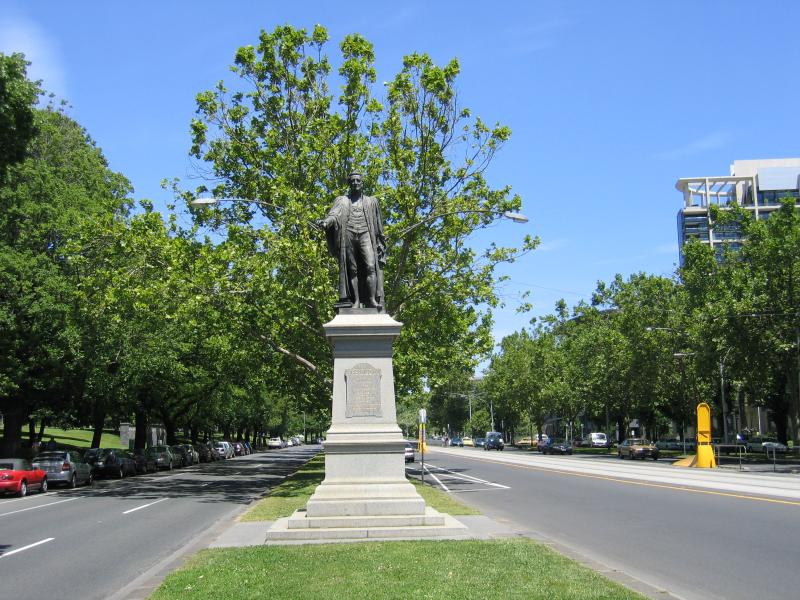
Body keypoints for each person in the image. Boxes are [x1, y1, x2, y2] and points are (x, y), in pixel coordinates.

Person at [319, 172, 386, 310]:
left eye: (358, 180)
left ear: (362, 183)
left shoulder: (371, 201)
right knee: (353, 269)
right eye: (353, 181)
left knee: (370, 266)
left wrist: (380, 241)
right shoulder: (342, 200)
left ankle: (372, 300)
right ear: (349, 183)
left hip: (365, 234)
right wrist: (325, 223)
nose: (355, 183)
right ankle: (355, 301)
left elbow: (378, 224)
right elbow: (333, 215)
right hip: (348, 234)